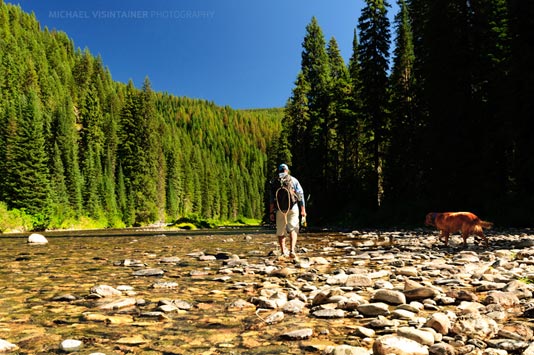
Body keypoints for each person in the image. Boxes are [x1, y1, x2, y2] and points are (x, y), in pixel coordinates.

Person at [269, 163, 306, 260]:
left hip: (280, 209)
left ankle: (282, 251)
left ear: (279, 170)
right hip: (293, 207)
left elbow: (272, 199)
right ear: (287, 170)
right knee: (293, 229)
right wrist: (303, 210)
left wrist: (271, 212)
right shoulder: (293, 180)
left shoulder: (274, 181)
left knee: (281, 231)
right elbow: (300, 195)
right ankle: (292, 250)